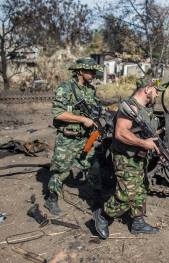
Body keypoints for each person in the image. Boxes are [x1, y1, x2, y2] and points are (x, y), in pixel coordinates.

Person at [93, 77, 165, 238]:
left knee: (141, 188)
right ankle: (103, 216)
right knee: (126, 195)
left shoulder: (144, 108)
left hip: (138, 157)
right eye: (156, 91)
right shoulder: (130, 107)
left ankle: (138, 223)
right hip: (126, 158)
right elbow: (120, 133)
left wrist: (155, 148)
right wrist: (143, 143)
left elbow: (146, 134)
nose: (157, 94)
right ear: (147, 89)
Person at [44, 57, 104, 215]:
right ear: (80, 71)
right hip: (68, 139)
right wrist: (83, 119)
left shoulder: (90, 90)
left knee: (93, 167)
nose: (93, 74)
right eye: (90, 71)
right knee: (61, 171)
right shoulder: (65, 88)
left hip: (86, 138)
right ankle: (51, 199)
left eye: (94, 71)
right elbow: (58, 114)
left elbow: (96, 108)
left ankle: (97, 199)